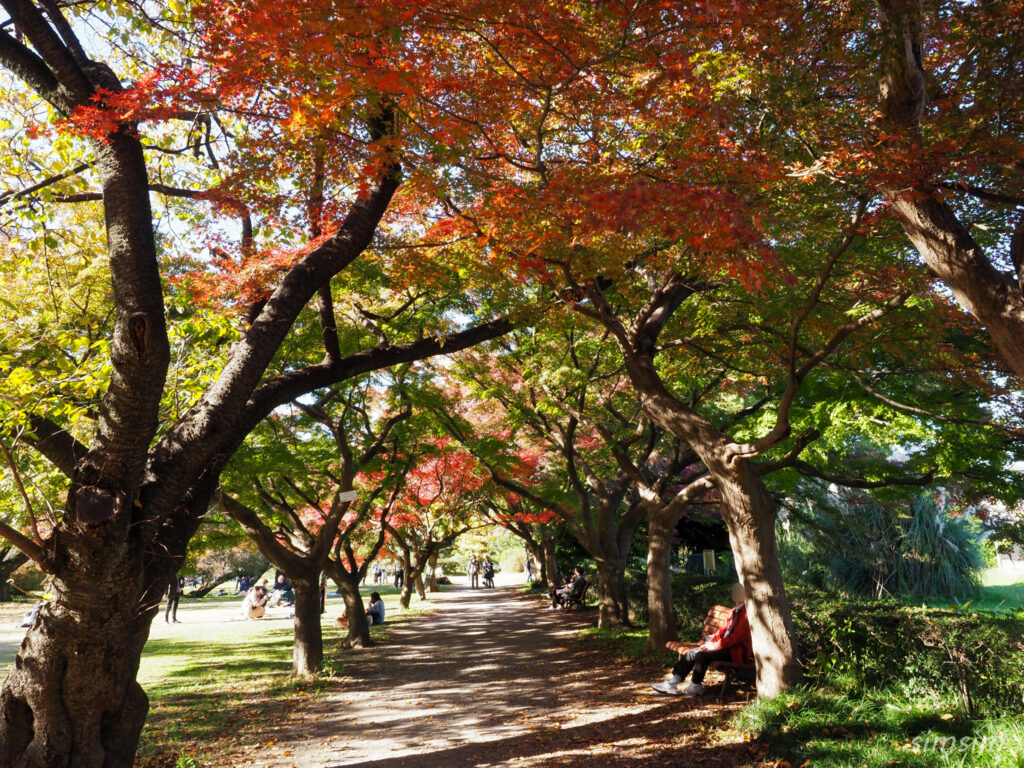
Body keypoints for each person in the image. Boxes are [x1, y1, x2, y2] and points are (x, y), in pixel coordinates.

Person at [651, 582, 752, 697]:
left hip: (735, 651)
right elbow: (721, 631)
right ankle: (673, 683)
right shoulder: (734, 611)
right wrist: (710, 643)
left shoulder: (747, 613)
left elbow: (735, 638)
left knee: (701, 655)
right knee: (691, 652)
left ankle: (695, 685)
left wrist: (714, 646)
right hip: (723, 647)